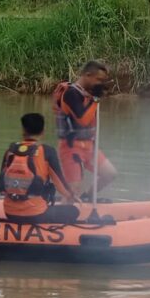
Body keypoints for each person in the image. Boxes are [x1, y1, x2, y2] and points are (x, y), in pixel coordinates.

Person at [0, 113, 81, 223]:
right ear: (42, 131)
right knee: (73, 211)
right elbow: (60, 183)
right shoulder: (47, 151)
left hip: (9, 213)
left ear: (23, 130)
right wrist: (71, 195)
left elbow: (1, 184)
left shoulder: (10, 151)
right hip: (35, 214)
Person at [52, 60, 117, 199]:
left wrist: (94, 98)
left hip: (89, 146)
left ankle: (87, 197)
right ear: (87, 75)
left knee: (110, 174)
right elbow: (82, 120)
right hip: (71, 147)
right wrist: (95, 99)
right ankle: (63, 212)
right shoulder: (70, 94)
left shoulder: (86, 93)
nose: (100, 83)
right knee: (73, 189)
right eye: (98, 79)